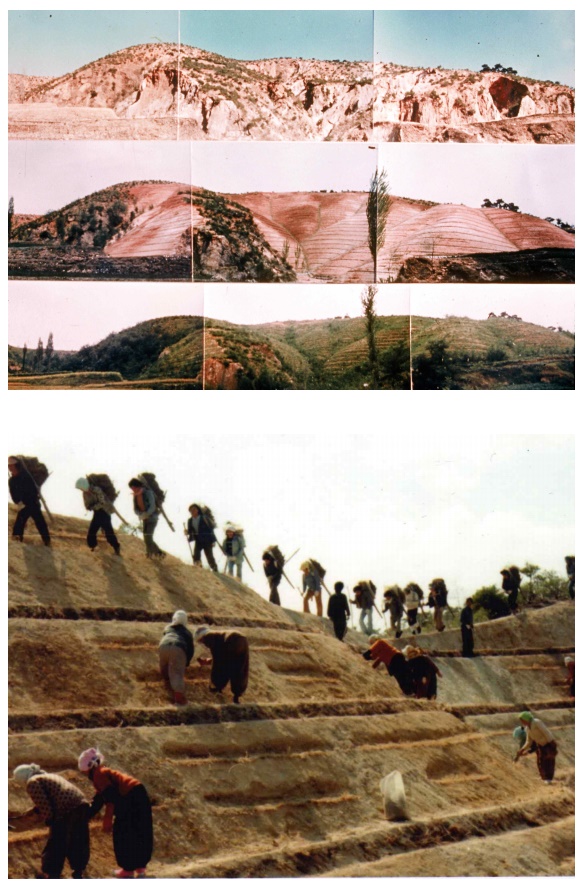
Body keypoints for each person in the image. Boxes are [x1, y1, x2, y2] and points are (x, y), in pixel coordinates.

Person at [79, 748, 153, 879]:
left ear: (90, 767)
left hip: (130, 798)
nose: (86, 775)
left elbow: (110, 798)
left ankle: (127, 870)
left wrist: (107, 820)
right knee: (140, 831)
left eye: (85, 772)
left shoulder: (99, 774)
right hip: (139, 794)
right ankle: (140, 868)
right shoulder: (105, 772)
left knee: (122, 832)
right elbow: (99, 800)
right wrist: (86, 816)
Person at [13, 763, 90, 879]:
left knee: (56, 842)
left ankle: (51, 873)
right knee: (77, 839)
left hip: (66, 809)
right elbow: (53, 797)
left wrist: (50, 821)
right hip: (81, 805)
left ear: (22, 778)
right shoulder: (49, 776)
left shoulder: (32, 782)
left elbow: (45, 805)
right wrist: (33, 811)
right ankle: (78, 871)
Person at [194, 625, 249, 704]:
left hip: (232, 639)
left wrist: (215, 682)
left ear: (201, 637)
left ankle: (217, 687)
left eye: (201, 641)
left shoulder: (208, 636)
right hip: (243, 640)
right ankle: (237, 695)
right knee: (240, 668)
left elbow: (218, 660)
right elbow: (222, 655)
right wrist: (209, 661)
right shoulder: (218, 635)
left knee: (223, 667)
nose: (203, 643)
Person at [8, 456, 51, 546]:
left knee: (40, 522)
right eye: (9, 466)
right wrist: (18, 502)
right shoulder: (12, 481)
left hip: (33, 502)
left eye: (12, 466)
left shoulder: (26, 476)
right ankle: (17, 539)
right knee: (20, 521)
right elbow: (13, 494)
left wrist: (28, 501)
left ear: (17, 466)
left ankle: (47, 541)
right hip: (24, 504)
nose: (10, 468)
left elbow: (32, 490)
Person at [76, 477, 121, 555]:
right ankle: (93, 547)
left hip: (105, 512)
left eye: (81, 488)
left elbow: (102, 502)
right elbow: (86, 504)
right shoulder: (85, 494)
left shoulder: (97, 490)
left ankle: (116, 546)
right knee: (92, 531)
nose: (81, 490)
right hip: (97, 513)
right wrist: (89, 507)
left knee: (108, 531)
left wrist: (93, 506)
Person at [158, 610, 195, 706]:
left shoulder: (168, 628)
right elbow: (190, 649)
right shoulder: (187, 633)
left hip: (163, 646)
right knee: (177, 673)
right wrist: (187, 662)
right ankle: (179, 701)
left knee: (165, 669)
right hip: (178, 647)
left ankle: (167, 690)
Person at [515, 712, 558, 784]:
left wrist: (552, 744)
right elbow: (529, 741)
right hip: (540, 746)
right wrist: (522, 750)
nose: (522, 722)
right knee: (540, 762)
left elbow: (546, 732)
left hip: (548, 744)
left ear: (526, 719)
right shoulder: (527, 729)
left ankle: (549, 779)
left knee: (549, 762)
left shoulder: (536, 722)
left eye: (522, 720)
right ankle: (544, 778)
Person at [129, 477, 165, 559]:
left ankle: (150, 554)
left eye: (133, 487)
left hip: (152, 518)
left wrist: (146, 514)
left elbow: (152, 506)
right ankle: (159, 553)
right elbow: (135, 509)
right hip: (144, 518)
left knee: (148, 537)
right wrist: (140, 514)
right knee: (146, 538)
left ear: (137, 486)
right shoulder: (135, 496)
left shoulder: (148, 493)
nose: (133, 490)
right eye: (132, 488)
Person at [185, 504, 217, 571]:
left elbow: (210, 529)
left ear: (197, 510)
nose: (192, 511)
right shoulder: (190, 520)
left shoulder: (204, 518)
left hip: (207, 540)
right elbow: (190, 531)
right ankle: (198, 568)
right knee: (196, 554)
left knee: (209, 556)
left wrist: (213, 541)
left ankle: (214, 569)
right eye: (191, 510)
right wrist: (187, 532)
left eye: (194, 509)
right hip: (198, 540)